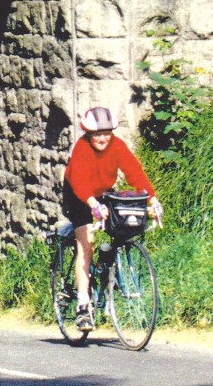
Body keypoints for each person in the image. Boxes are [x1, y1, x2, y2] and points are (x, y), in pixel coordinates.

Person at [62, 106, 162, 331]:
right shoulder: (82, 149)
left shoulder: (116, 146)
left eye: (106, 133)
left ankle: (106, 265)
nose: (102, 138)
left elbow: (134, 172)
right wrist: (92, 205)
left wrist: (151, 199)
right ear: (88, 133)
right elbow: (78, 180)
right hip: (80, 197)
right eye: (97, 134)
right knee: (86, 244)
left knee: (121, 226)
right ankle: (83, 306)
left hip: (103, 192)